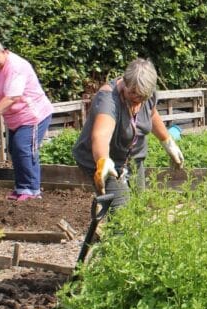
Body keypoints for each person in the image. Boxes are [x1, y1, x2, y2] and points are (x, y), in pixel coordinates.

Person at [72, 58, 184, 209]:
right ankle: (115, 227)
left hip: (133, 159)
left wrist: (167, 142)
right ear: (124, 82)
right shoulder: (108, 100)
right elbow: (101, 135)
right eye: (133, 93)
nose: (137, 99)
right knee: (121, 211)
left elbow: (151, 113)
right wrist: (103, 161)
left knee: (138, 206)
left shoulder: (147, 94)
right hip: (106, 161)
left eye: (142, 97)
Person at [0, 31, 54, 201]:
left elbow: (12, 96)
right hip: (15, 117)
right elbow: (1, 83)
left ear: (2, 51)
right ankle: (21, 188)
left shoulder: (17, 66)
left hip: (33, 114)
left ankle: (32, 190)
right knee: (15, 150)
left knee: (24, 148)